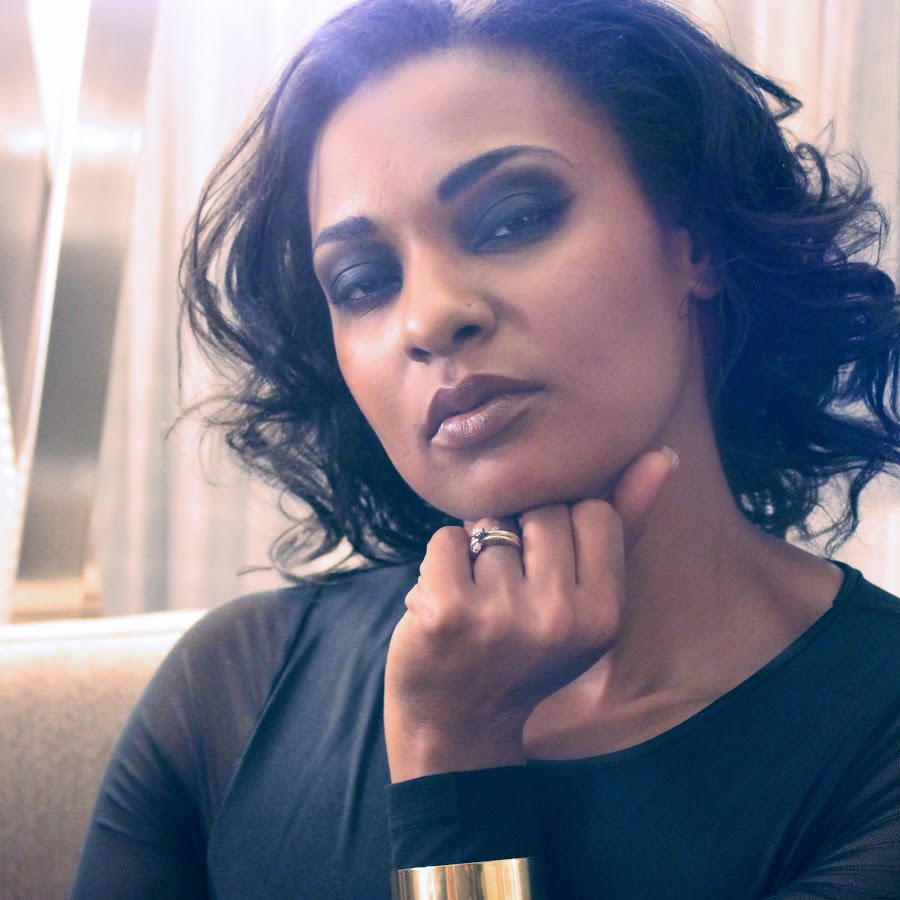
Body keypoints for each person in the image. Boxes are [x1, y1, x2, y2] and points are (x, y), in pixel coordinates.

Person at [71, 0, 900, 896]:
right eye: (364, 281)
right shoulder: (231, 688)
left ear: (691, 241)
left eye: (512, 218)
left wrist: (452, 754)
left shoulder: (876, 738)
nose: (429, 317)